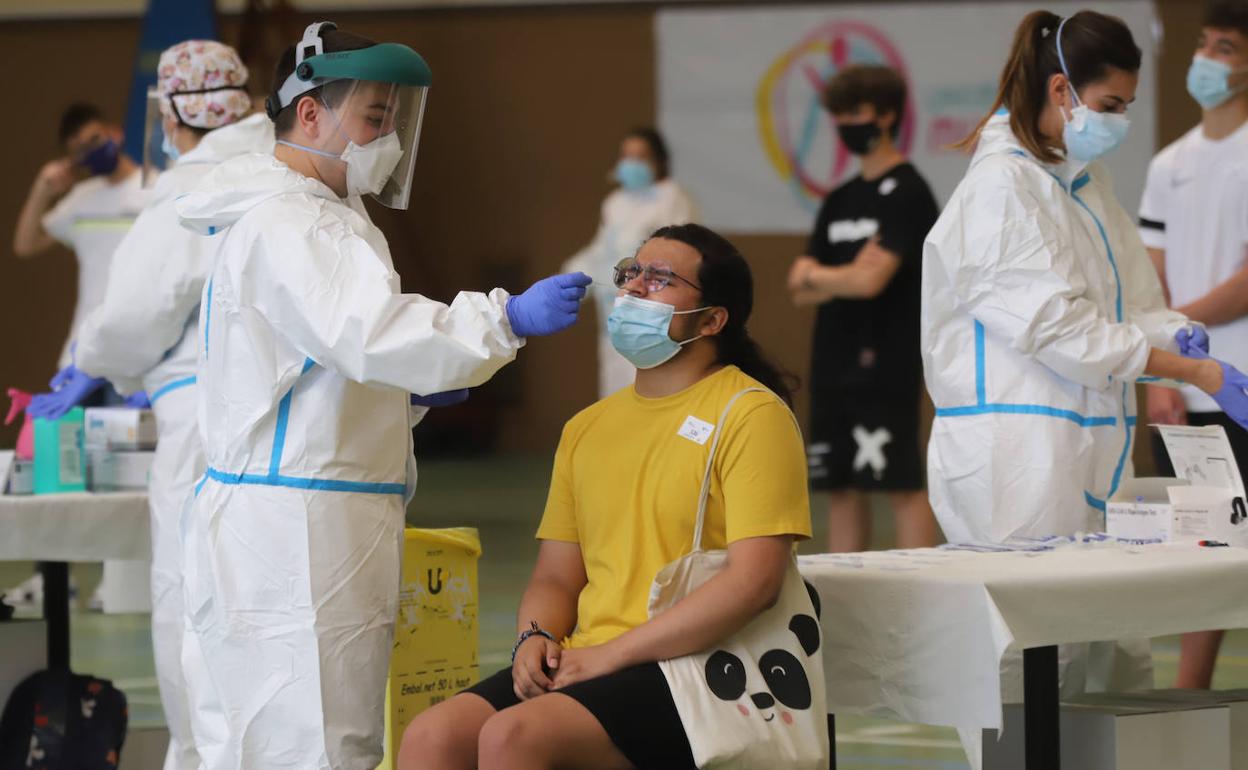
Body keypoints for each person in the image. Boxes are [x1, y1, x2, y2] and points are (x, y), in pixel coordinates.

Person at [172, 23, 590, 769]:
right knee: (314, 743)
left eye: (393, 117)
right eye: (373, 116)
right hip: (297, 533)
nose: (388, 135)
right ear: (310, 114)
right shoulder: (292, 222)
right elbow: (367, 332)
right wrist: (501, 317)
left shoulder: (329, 213)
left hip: (309, 513)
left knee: (284, 739)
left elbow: (328, 364)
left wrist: (414, 395)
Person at [399, 223, 810, 770]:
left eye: (662, 279)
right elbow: (556, 576)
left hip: (699, 664)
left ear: (712, 320)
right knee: (432, 736)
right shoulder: (586, 428)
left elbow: (754, 582)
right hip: (590, 655)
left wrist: (609, 657)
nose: (636, 287)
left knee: (514, 737)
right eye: (631, 273)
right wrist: (533, 637)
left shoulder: (751, 414)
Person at [924, 9, 1248, 546]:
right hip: (1016, 461)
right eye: (1110, 106)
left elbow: (1127, 300)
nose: (1119, 120)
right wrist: (1194, 374)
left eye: (1127, 107)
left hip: (1086, 447)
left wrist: (1174, 333)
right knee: (1036, 620)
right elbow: (1061, 329)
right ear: (1061, 90)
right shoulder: (1000, 190)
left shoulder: (1083, 182)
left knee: (1095, 620)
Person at [21, 41, 259, 770]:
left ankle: (196, 756)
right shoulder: (279, 170)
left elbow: (138, 307)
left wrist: (94, 362)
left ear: (171, 112)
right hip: (272, 424)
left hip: (192, 412)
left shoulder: (187, 185)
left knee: (189, 597)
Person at [1139, 0, 1248, 690]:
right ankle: (1190, 692)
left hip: (1236, 381)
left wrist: (1187, 335)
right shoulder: (1167, 164)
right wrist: (1164, 373)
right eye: (1203, 44)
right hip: (1186, 387)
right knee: (1204, 541)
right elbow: (1152, 281)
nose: (1207, 59)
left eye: (1227, 48)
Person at [787, 64, 941, 553]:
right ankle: (845, 603)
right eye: (839, 115)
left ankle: (923, 596)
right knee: (841, 487)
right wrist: (839, 277)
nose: (845, 124)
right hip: (832, 364)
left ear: (886, 115)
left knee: (900, 483)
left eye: (855, 112)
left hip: (885, 363)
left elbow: (873, 281)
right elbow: (798, 287)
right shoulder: (838, 199)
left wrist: (827, 275)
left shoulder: (910, 193)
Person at [563, 127, 699, 399]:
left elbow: (684, 253)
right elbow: (602, 250)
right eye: (627, 156)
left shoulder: (671, 196)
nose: (632, 163)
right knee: (615, 383)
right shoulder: (614, 203)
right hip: (614, 305)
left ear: (659, 161)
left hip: (653, 308)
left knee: (652, 382)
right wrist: (573, 276)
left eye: (641, 156)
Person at [14, 102, 146, 369]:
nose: (93, 150)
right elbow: (26, 246)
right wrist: (42, 190)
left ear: (115, 133)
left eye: (96, 139)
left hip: (143, 352)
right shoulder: (80, 200)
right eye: (81, 149)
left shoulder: (157, 189)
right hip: (84, 352)